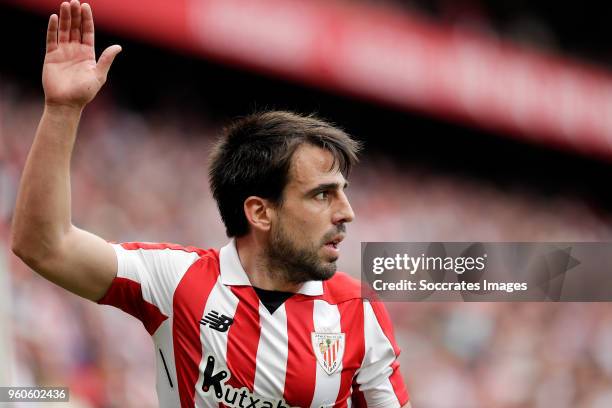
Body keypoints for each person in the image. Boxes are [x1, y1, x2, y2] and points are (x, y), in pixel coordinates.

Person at [11, 1, 411, 407]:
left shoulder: (358, 311)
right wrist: (62, 111)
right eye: (322, 194)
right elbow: (44, 245)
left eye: (343, 192)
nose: (346, 212)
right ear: (260, 212)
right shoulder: (177, 280)